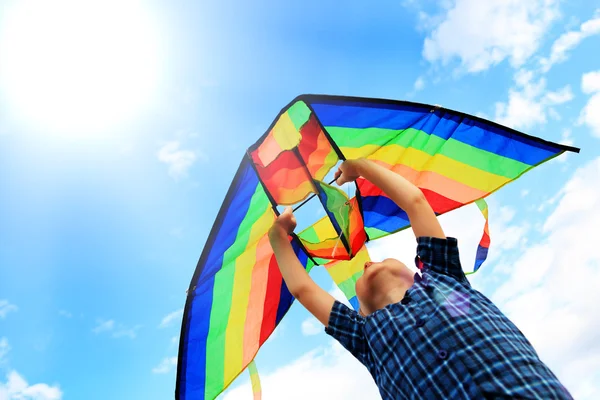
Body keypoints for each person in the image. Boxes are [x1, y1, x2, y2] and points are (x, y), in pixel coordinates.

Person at [268, 158, 572, 399]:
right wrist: (278, 237)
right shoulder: (364, 336)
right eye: (362, 273)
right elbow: (303, 288)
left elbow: (415, 202)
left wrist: (359, 167)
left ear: (415, 271)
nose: (368, 263)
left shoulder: (442, 275)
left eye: (380, 258)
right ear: (361, 311)